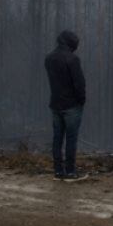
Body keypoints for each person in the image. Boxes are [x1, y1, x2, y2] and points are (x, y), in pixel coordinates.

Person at [45, 30, 87, 181]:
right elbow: (79, 84)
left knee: (57, 139)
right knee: (71, 139)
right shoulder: (73, 59)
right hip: (71, 105)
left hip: (55, 104)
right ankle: (70, 171)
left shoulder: (49, 58)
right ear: (71, 43)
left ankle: (58, 171)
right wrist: (81, 100)